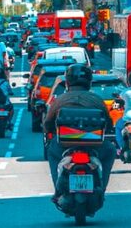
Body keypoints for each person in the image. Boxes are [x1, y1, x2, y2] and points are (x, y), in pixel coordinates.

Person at [43, 62, 116, 205]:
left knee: (51, 151)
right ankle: (101, 187)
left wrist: (50, 133)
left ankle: (58, 190)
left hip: (64, 145)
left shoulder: (59, 100)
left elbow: (47, 124)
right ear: (89, 82)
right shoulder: (97, 99)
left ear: (68, 82)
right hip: (94, 145)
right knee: (111, 151)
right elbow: (108, 123)